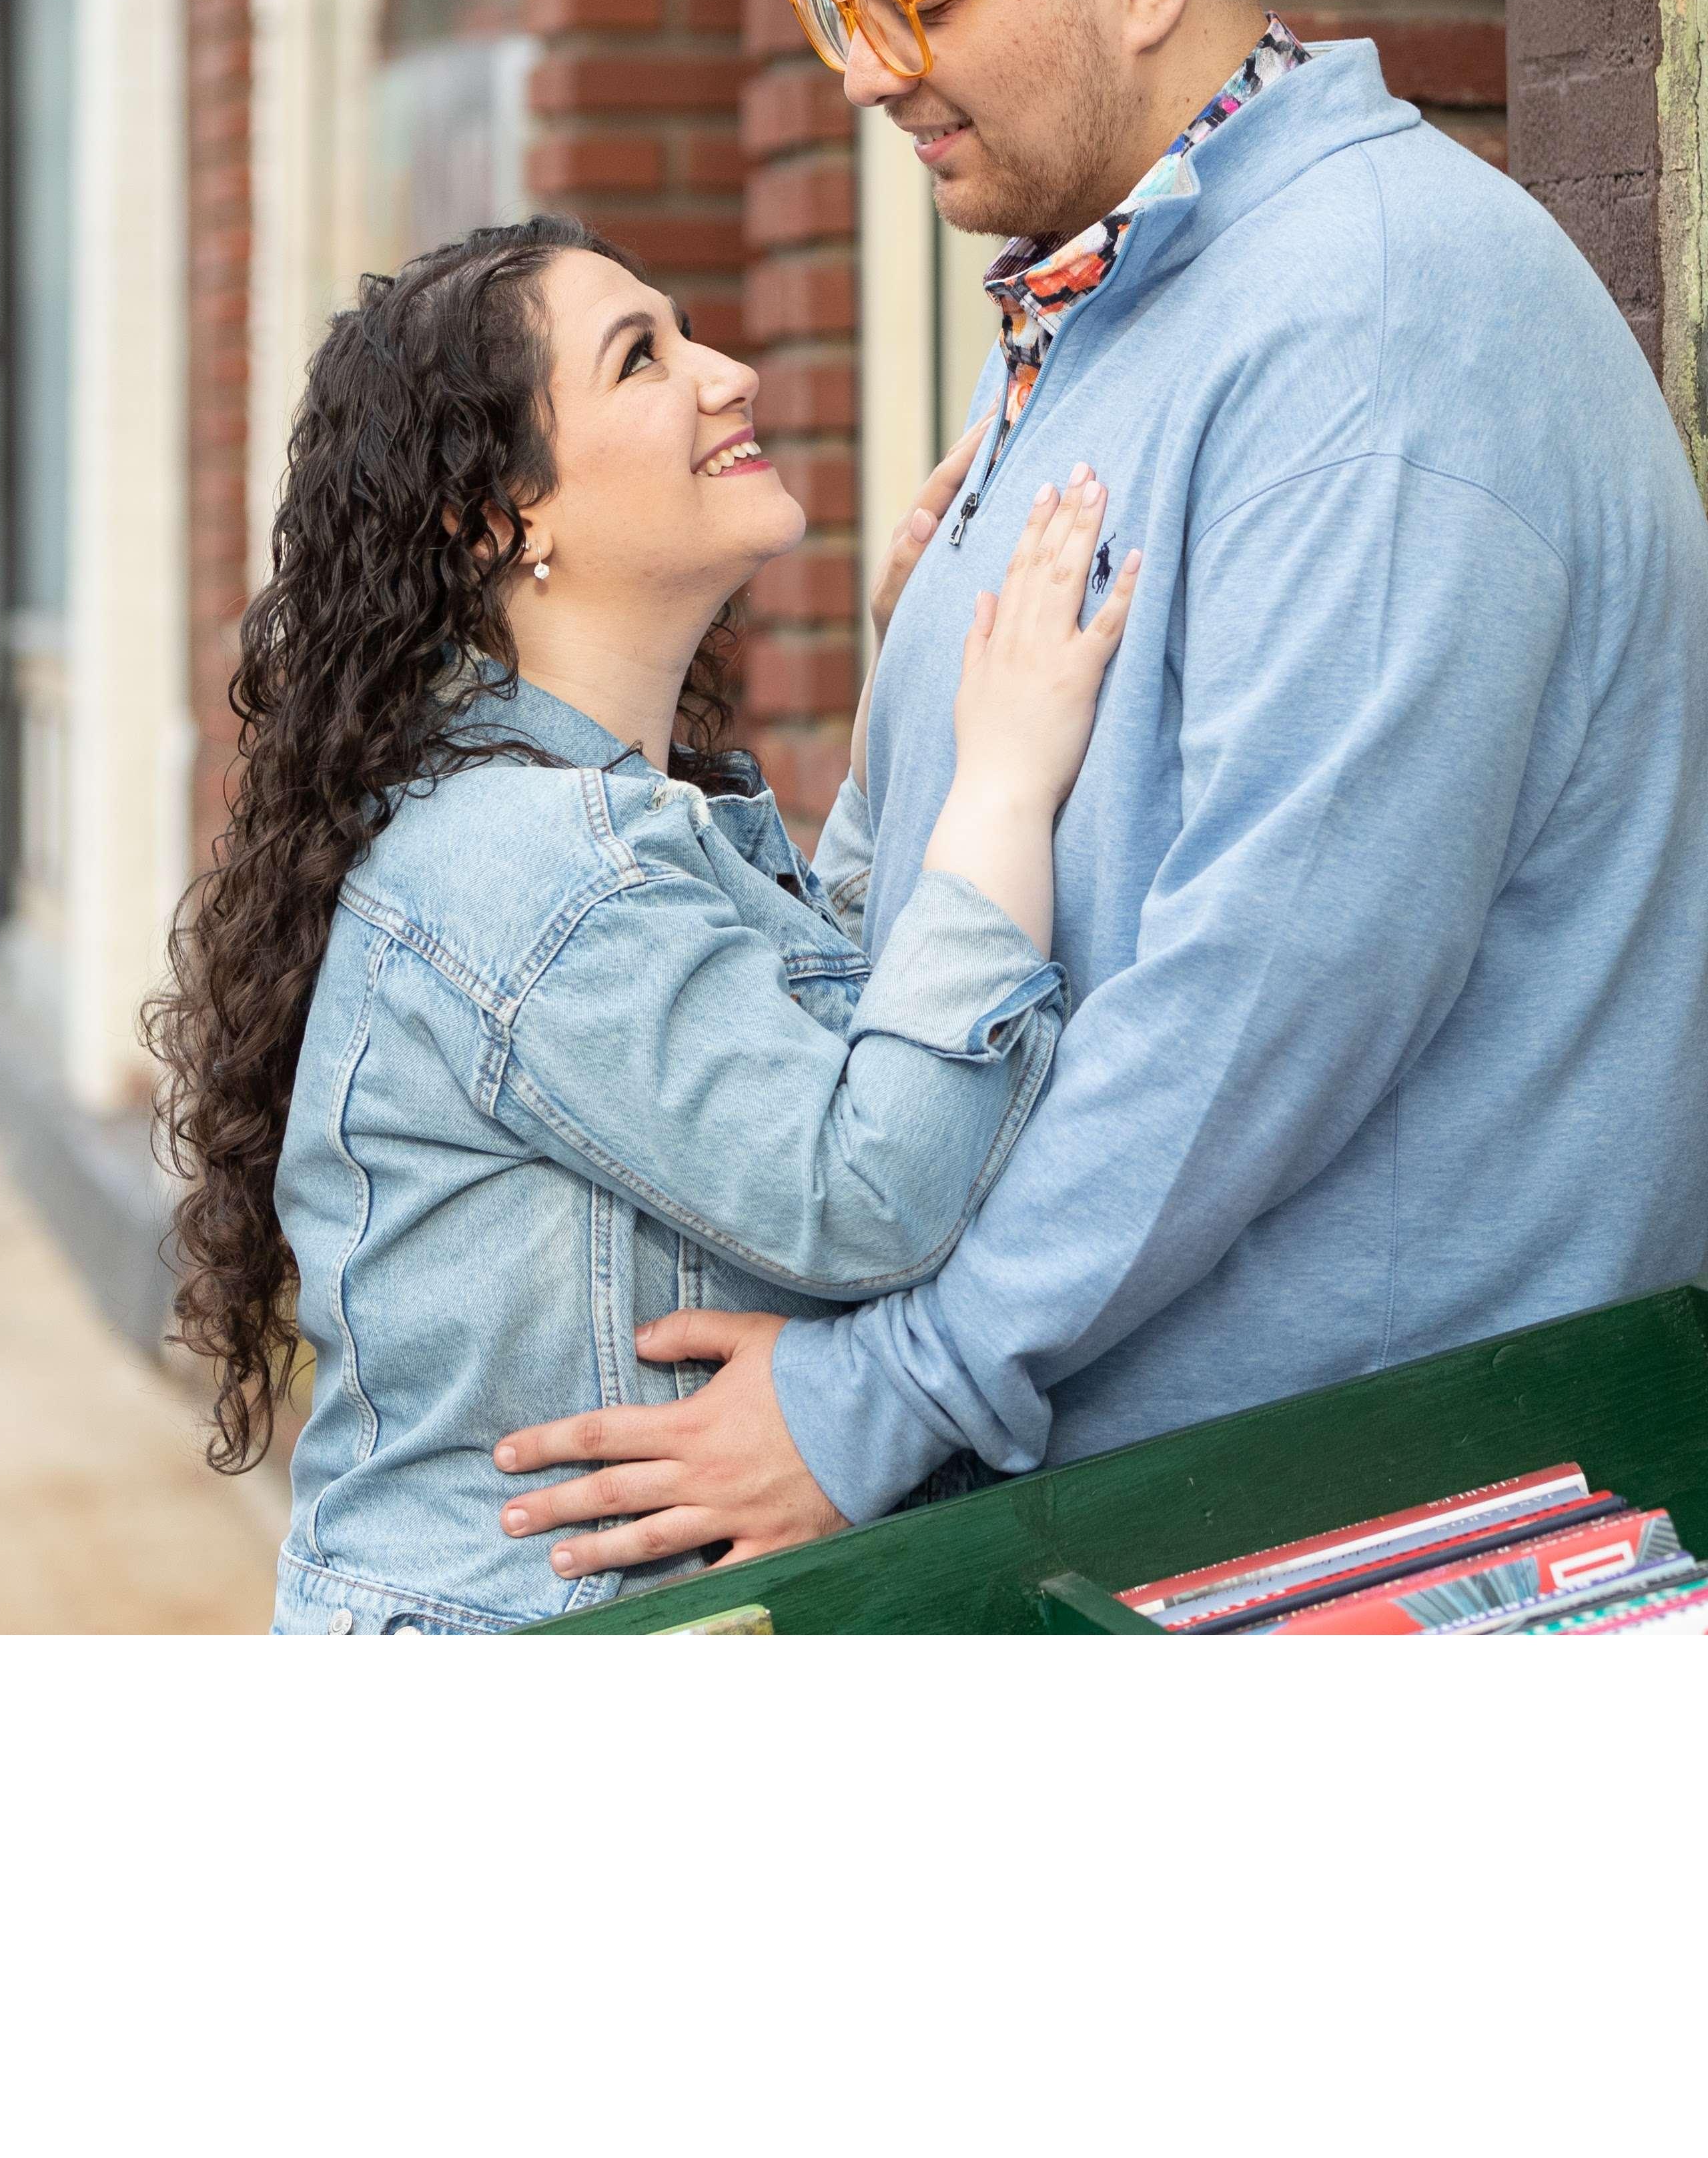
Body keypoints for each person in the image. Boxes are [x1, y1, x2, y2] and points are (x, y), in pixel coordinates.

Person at [494, 0, 1708, 1581]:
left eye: (913, 0)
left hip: (1372, 1542)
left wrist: (883, 1394)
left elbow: (1274, 989)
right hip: (1177, 1525)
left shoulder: (1380, 320)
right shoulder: (1113, 308)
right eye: (834, 3)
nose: (860, 69)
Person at [144, 215, 1134, 1632]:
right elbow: (865, 1189)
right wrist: (1003, 776)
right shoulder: (532, 861)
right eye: (643, 359)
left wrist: (902, 722)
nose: (728, 373)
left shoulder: (595, 815)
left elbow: (800, 1032)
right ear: (502, 518)